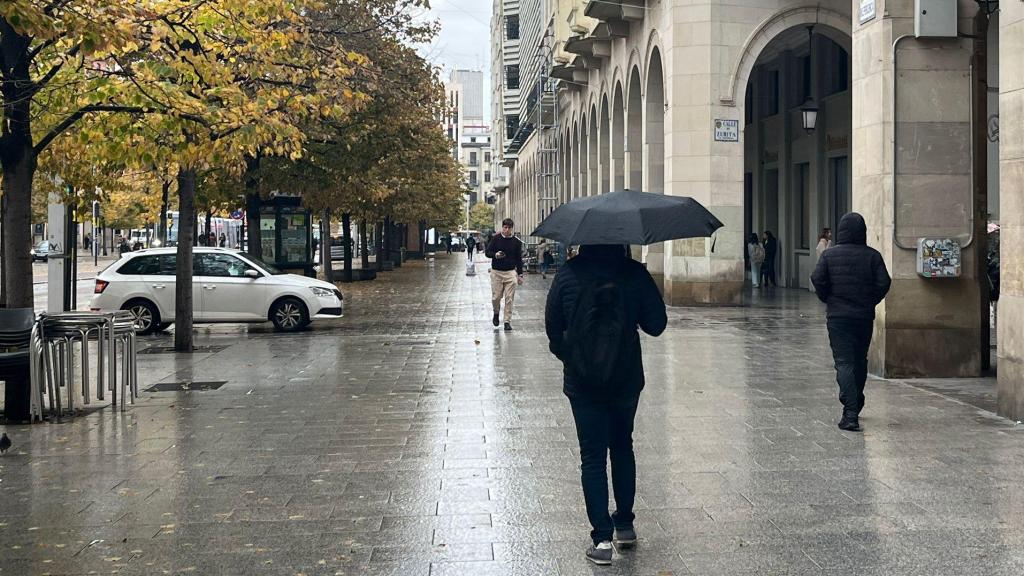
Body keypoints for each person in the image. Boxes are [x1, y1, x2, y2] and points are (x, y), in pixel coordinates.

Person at [545, 244, 667, 566]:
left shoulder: (567, 274)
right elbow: (657, 324)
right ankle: (624, 524)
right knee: (622, 446)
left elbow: (552, 331)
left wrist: (572, 358)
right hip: (625, 378)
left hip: (583, 383)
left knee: (592, 456)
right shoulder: (634, 273)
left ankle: (601, 538)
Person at [811, 213, 891, 432]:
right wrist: (869, 300)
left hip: (838, 317)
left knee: (844, 361)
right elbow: (884, 282)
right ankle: (856, 401)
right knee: (859, 360)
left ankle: (850, 412)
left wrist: (828, 298)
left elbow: (817, 279)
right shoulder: (872, 256)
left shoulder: (829, 256)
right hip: (863, 316)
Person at [484, 219, 524, 330]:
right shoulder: (496, 239)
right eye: (505, 227)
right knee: (496, 297)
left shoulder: (516, 242)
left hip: (510, 272)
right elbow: (487, 252)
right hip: (496, 272)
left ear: (512, 229)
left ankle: (507, 321)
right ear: (502, 228)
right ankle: (496, 313)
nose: (506, 230)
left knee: (509, 298)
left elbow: (519, 259)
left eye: (509, 228)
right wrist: (495, 255)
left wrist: (520, 274)